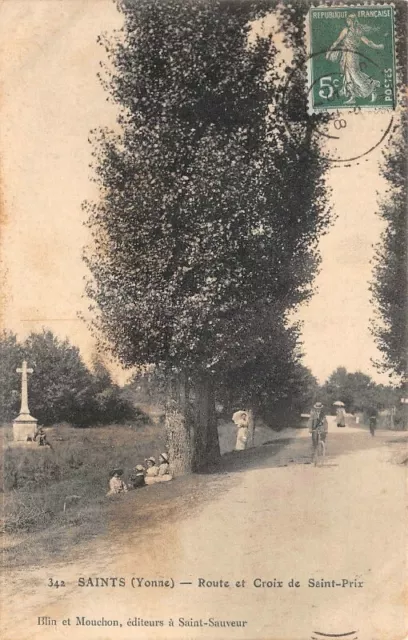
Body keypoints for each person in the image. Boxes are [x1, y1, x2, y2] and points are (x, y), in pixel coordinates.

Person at [325, 14, 384, 105]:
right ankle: (352, 96)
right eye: (347, 20)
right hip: (346, 54)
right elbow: (337, 41)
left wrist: (378, 47)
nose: (347, 22)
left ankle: (372, 85)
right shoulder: (346, 30)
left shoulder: (357, 31)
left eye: (349, 20)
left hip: (352, 55)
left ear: (353, 21)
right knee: (347, 75)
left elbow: (368, 42)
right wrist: (330, 50)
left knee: (354, 74)